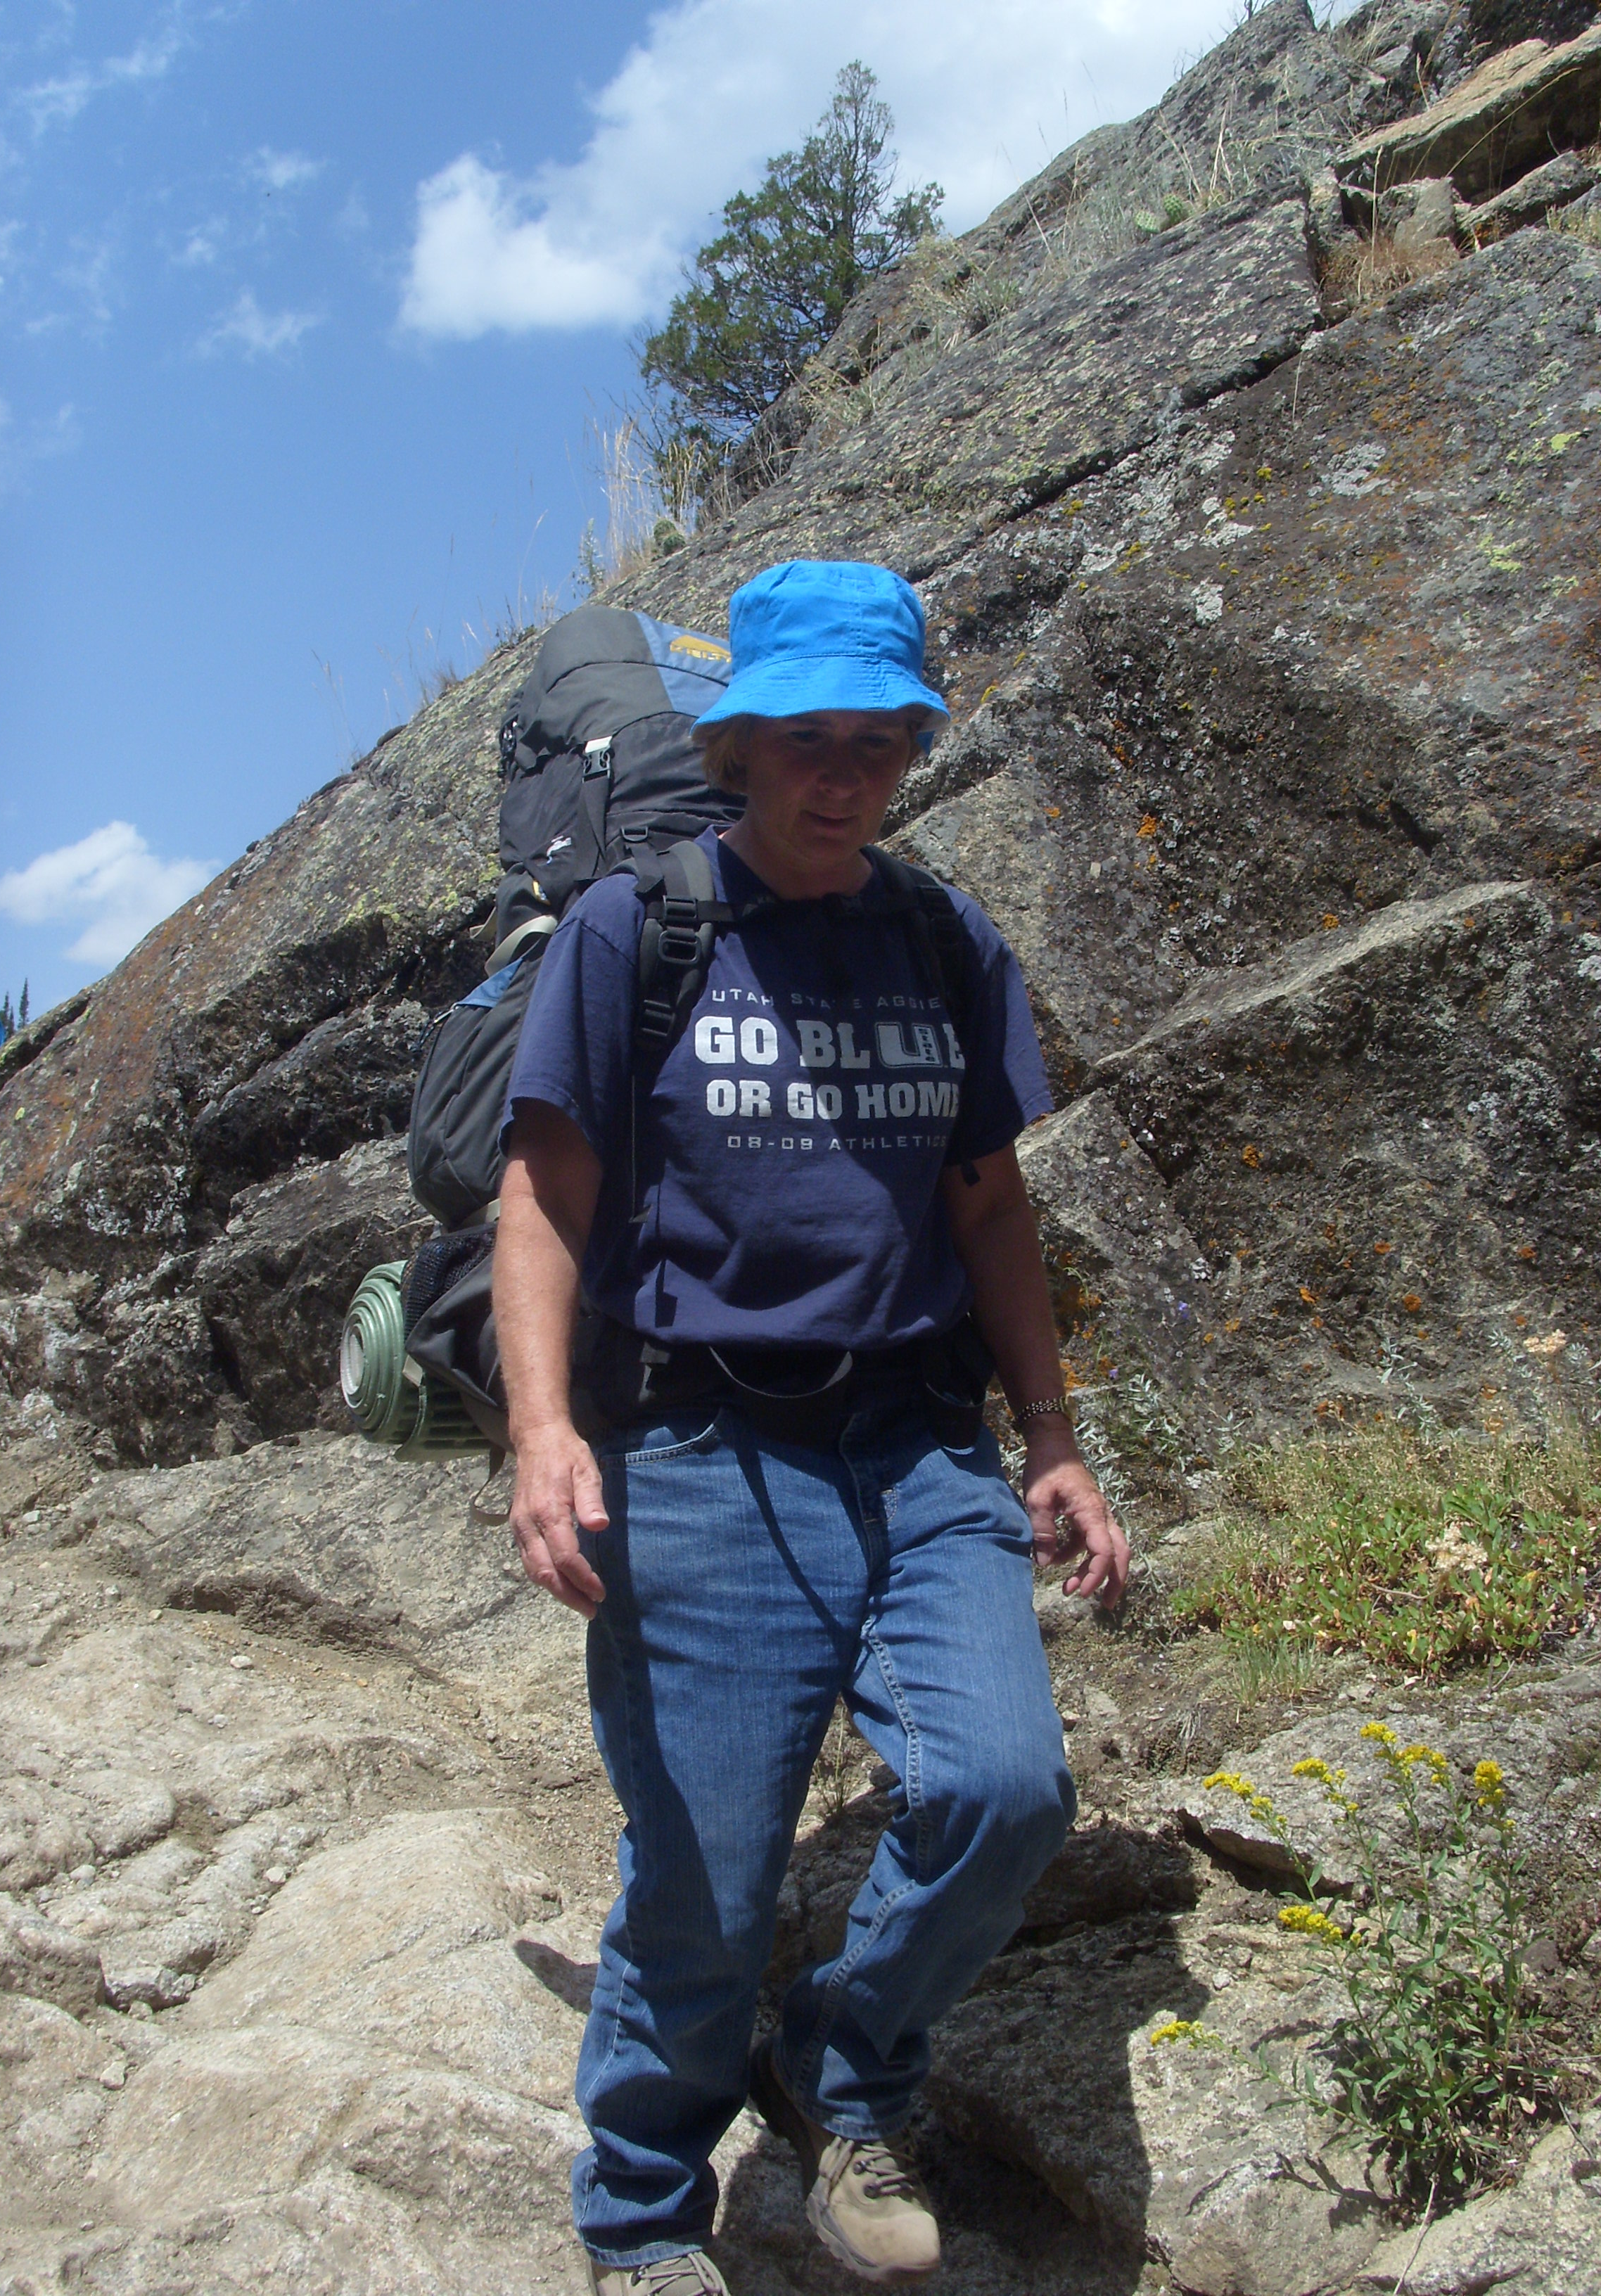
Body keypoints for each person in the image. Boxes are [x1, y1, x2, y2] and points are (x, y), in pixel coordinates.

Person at [494, 558, 1129, 2296]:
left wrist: (1053, 1437)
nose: (843, 771)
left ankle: (850, 2072)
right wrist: (545, 1432)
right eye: (807, 738)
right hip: (704, 1459)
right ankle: (638, 2216)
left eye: (881, 738)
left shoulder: (944, 934)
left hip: (923, 1449)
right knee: (701, 1876)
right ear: (742, 743)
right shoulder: (646, 930)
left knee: (1003, 1788)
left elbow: (991, 1209)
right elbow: (545, 1200)